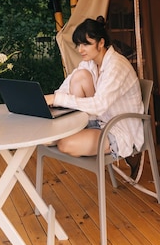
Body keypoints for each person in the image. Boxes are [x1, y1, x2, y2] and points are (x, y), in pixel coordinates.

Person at [44, 16, 144, 160]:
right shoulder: (90, 63)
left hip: (119, 128)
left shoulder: (116, 66)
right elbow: (67, 86)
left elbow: (99, 105)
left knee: (65, 144)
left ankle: (71, 133)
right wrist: (51, 100)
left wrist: (57, 99)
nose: (80, 50)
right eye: (78, 45)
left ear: (101, 43)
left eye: (86, 44)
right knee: (80, 75)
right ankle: (74, 129)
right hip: (98, 120)